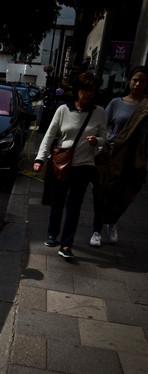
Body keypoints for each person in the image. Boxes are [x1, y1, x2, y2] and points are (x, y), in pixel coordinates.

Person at [33, 72, 107, 259]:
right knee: (57, 202)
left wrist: (96, 140)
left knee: (74, 206)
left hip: (84, 166)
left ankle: (66, 244)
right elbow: (49, 135)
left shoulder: (99, 112)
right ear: (77, 91)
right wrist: (40, 159)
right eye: (85, 90)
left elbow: (105, 137)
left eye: (92, 90)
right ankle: (52, 233)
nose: (88, 94)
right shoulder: (63, 110)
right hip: (61, 164)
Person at [90, 66, 148, 247]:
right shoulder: (116, 103)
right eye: (135, 80)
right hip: (113, 154)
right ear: (129, 81)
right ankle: (96, 230)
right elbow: (102, 127)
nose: (138, 84)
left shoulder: (146, 106)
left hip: (134, 158)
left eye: (142, 81)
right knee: (102, 192)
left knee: (125, 195)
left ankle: (112, 222)